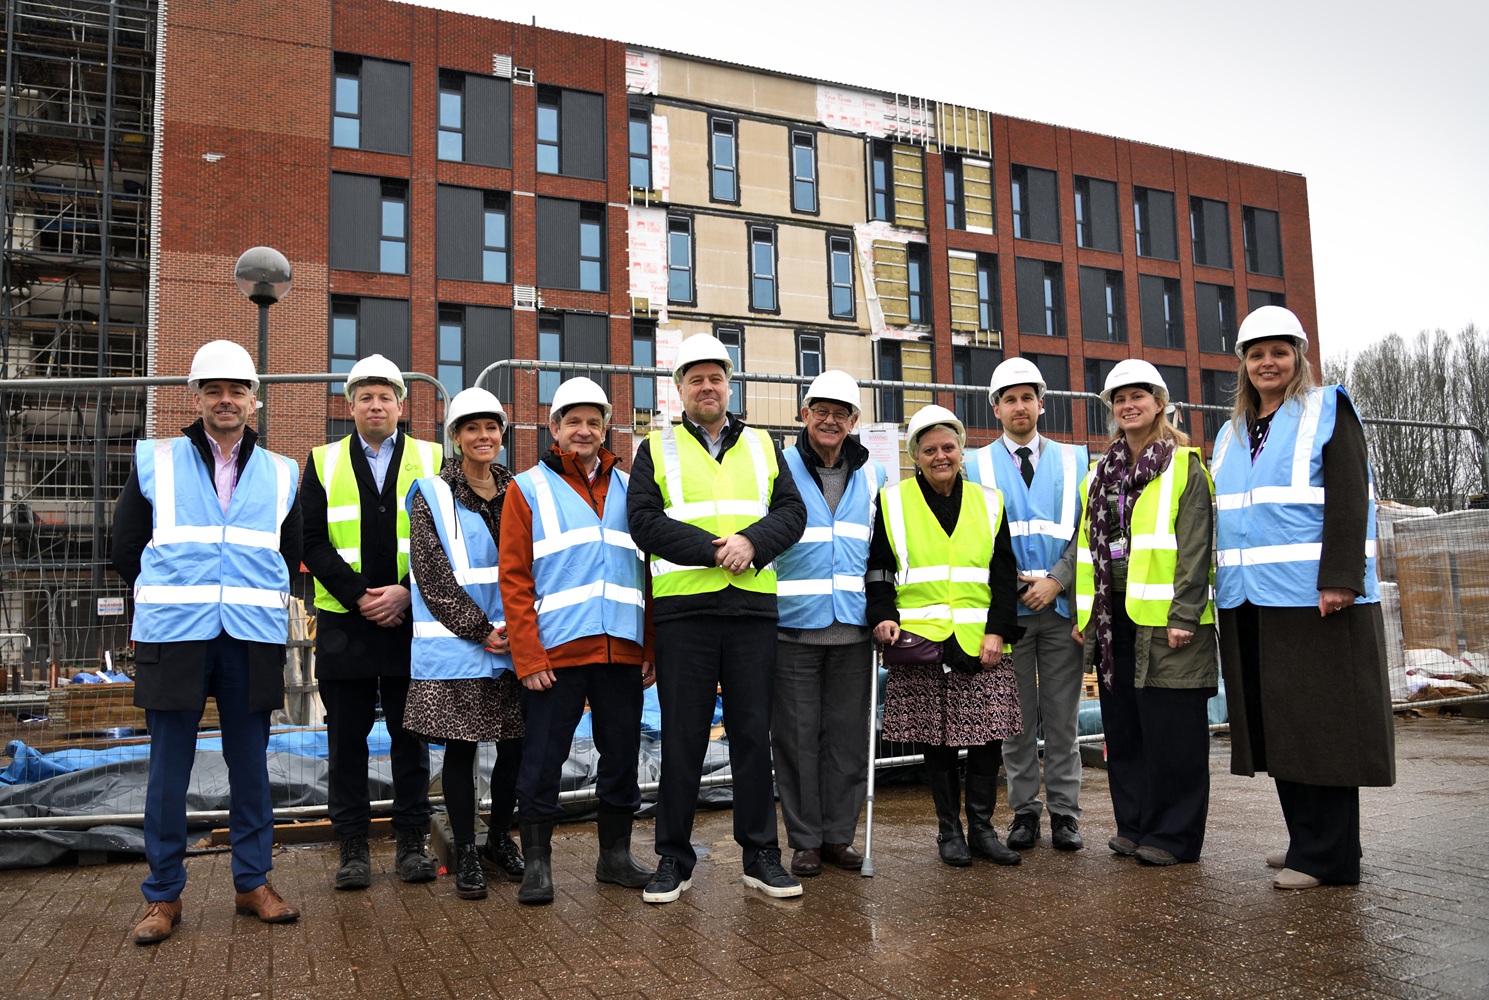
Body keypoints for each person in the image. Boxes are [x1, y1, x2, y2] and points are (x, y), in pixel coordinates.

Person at [112, 339, 303, 944]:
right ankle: (162, 896)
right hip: (176, 637)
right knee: (169, 770)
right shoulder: (157, 460)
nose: (226, 400)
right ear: (196, 397)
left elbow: (290, 552)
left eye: (237, 391)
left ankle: (253, 883)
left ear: (255, 400)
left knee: (251, 768)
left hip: (249, 639)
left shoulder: (282, 472)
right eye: (214, 390)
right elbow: (125, 549)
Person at [1211, 306, 1395, 890]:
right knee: (1283, 728)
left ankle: (1330, 859)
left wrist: (1341, 577)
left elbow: (1349, 497)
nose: (1269, 363)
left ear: (1299, 358)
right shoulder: (1233, 429)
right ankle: (1307, 841)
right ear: (1243, 364)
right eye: (1257, 354)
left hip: (1314, 600)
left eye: (1280, 352)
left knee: (1324, 730)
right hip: (1251, 601)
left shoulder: (1327, 408)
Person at [626, 332, 807, 903]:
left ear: (730, 385)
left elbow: (792, 511)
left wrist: (752, 543)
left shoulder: (761, 444)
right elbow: (643, 521)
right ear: (679, 389)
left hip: (752, 610)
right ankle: (672, 860)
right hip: (687, 615)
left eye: (716, 377)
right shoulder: (655, 448)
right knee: (683, 737)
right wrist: (713, 548)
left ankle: (761, 855)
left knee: (755, 735)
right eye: (696, 378)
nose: (707, 387)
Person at [499, 376, 656, 905]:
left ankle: (614, 858)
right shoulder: (527, 488)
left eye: (594, 421)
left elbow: (651, 573)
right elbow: (514, 579)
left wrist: (649, 646)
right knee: (541, 758)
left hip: (622, 652)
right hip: (556, 654)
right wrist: (527, 655)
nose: (584, 430)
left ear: (606, 428)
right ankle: (537, 865)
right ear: (554, 428)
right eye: (573, 421)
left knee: (621, 755)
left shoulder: (635, 487)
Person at [302, 355, 441, 891]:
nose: (376, 405)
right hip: (346, 626)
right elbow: (310, 539)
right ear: (350, 406)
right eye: (366, 397)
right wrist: (361, 596)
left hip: (413, 622)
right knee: (346, 742)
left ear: (402, 406)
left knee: (413, 739)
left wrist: (408, 592)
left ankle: (411, 843)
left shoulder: (432, 458)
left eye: (386, 397)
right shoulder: (321, 461)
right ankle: (353, 849)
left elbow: (444, 539)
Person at [1072, 359, 1217, 867]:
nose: (1128, 405)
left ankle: (1173, 835)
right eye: (1119, 398)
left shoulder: (1185, 465)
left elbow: (1196, 547)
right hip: (1116, 623)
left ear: (1160, 402)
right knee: (1126, 731)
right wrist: (1086, 617)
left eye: (1139, 395)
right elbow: (1089, 549)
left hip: (1168, 623)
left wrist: (1184, 614)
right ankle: (1132, 825)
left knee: (1173, 735)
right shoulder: (1098, 472)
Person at [867, 405, 1024, 868]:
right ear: (916, 455)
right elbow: (879, 567)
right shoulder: (892, 501)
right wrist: (882, 615)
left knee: (986, 739)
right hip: (921, 640)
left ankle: (982, 829)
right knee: (934, 741)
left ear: (961, 451)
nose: (941, 456)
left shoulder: (989, 500)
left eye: (949, 447)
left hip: (981, 642)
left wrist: (998, 630)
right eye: (930, 449)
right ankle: (947, 831)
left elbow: (1003, 573)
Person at [403, 387, 525, 900]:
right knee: (461, 750)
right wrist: (482, 629)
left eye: (491, 427)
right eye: (472, 428)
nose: (484, 436)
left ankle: (500, 835)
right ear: (455, 436)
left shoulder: (520, 488)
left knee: (516, 747)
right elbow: (431, 576)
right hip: (462, 645)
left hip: (516, 640)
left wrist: (518, 628)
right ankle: (469, 849)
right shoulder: (430, 493)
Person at [967, 358, 1088, 853]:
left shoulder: (1077, 459)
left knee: (1062, 718)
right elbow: (975, 539)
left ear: (1042, 402)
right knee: (1015, 719)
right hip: (1009, 614)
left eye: (1027, 397)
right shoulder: (975, 464)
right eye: (1009, 399)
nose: (1019, 406)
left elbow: (1089, 533)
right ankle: (1023, 813)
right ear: (995, 407)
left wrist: (1058, 581)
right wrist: (1019, 589)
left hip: (1060, 611)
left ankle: (1064, 814)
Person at [772, 370, 886, 878]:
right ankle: (805, 840)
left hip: (854, 629)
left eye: (841, 412)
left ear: (854, 422)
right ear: (804, 414)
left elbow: (881, 549)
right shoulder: (779, 466)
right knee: (796, 739)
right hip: (793, 626)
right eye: (820, 410)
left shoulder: (874, 474)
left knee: (845, 737)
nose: (829, 419)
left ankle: (839, 836)